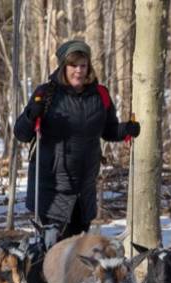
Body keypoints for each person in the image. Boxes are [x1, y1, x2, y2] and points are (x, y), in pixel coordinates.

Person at [14, 40, 140, 247]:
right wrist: (30, 115)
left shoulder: (100, 95)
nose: (79, 71)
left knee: (78, 255)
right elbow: (21, 133)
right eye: (73, 65)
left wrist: (126, 130)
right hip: (52, 190)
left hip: (84, 191)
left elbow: (108, 130)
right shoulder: (46, 94)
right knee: (51, 255)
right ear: (63, 66)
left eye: (83, 65)